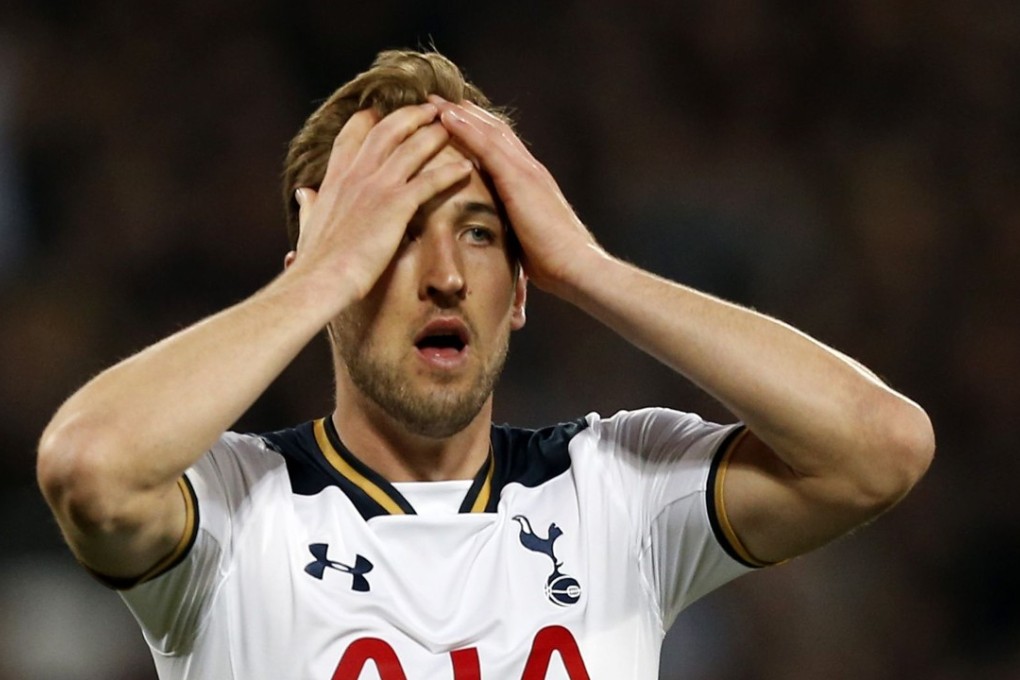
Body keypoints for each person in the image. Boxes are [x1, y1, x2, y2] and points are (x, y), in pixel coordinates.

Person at [37, 49, 934, 679]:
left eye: (478, 233)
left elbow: (880, 446)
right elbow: (89, 466)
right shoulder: (235, 511)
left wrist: (591, 268)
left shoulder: (614, 492)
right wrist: (320, 277)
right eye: (396, 236)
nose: (446, 276)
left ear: (520, 289)